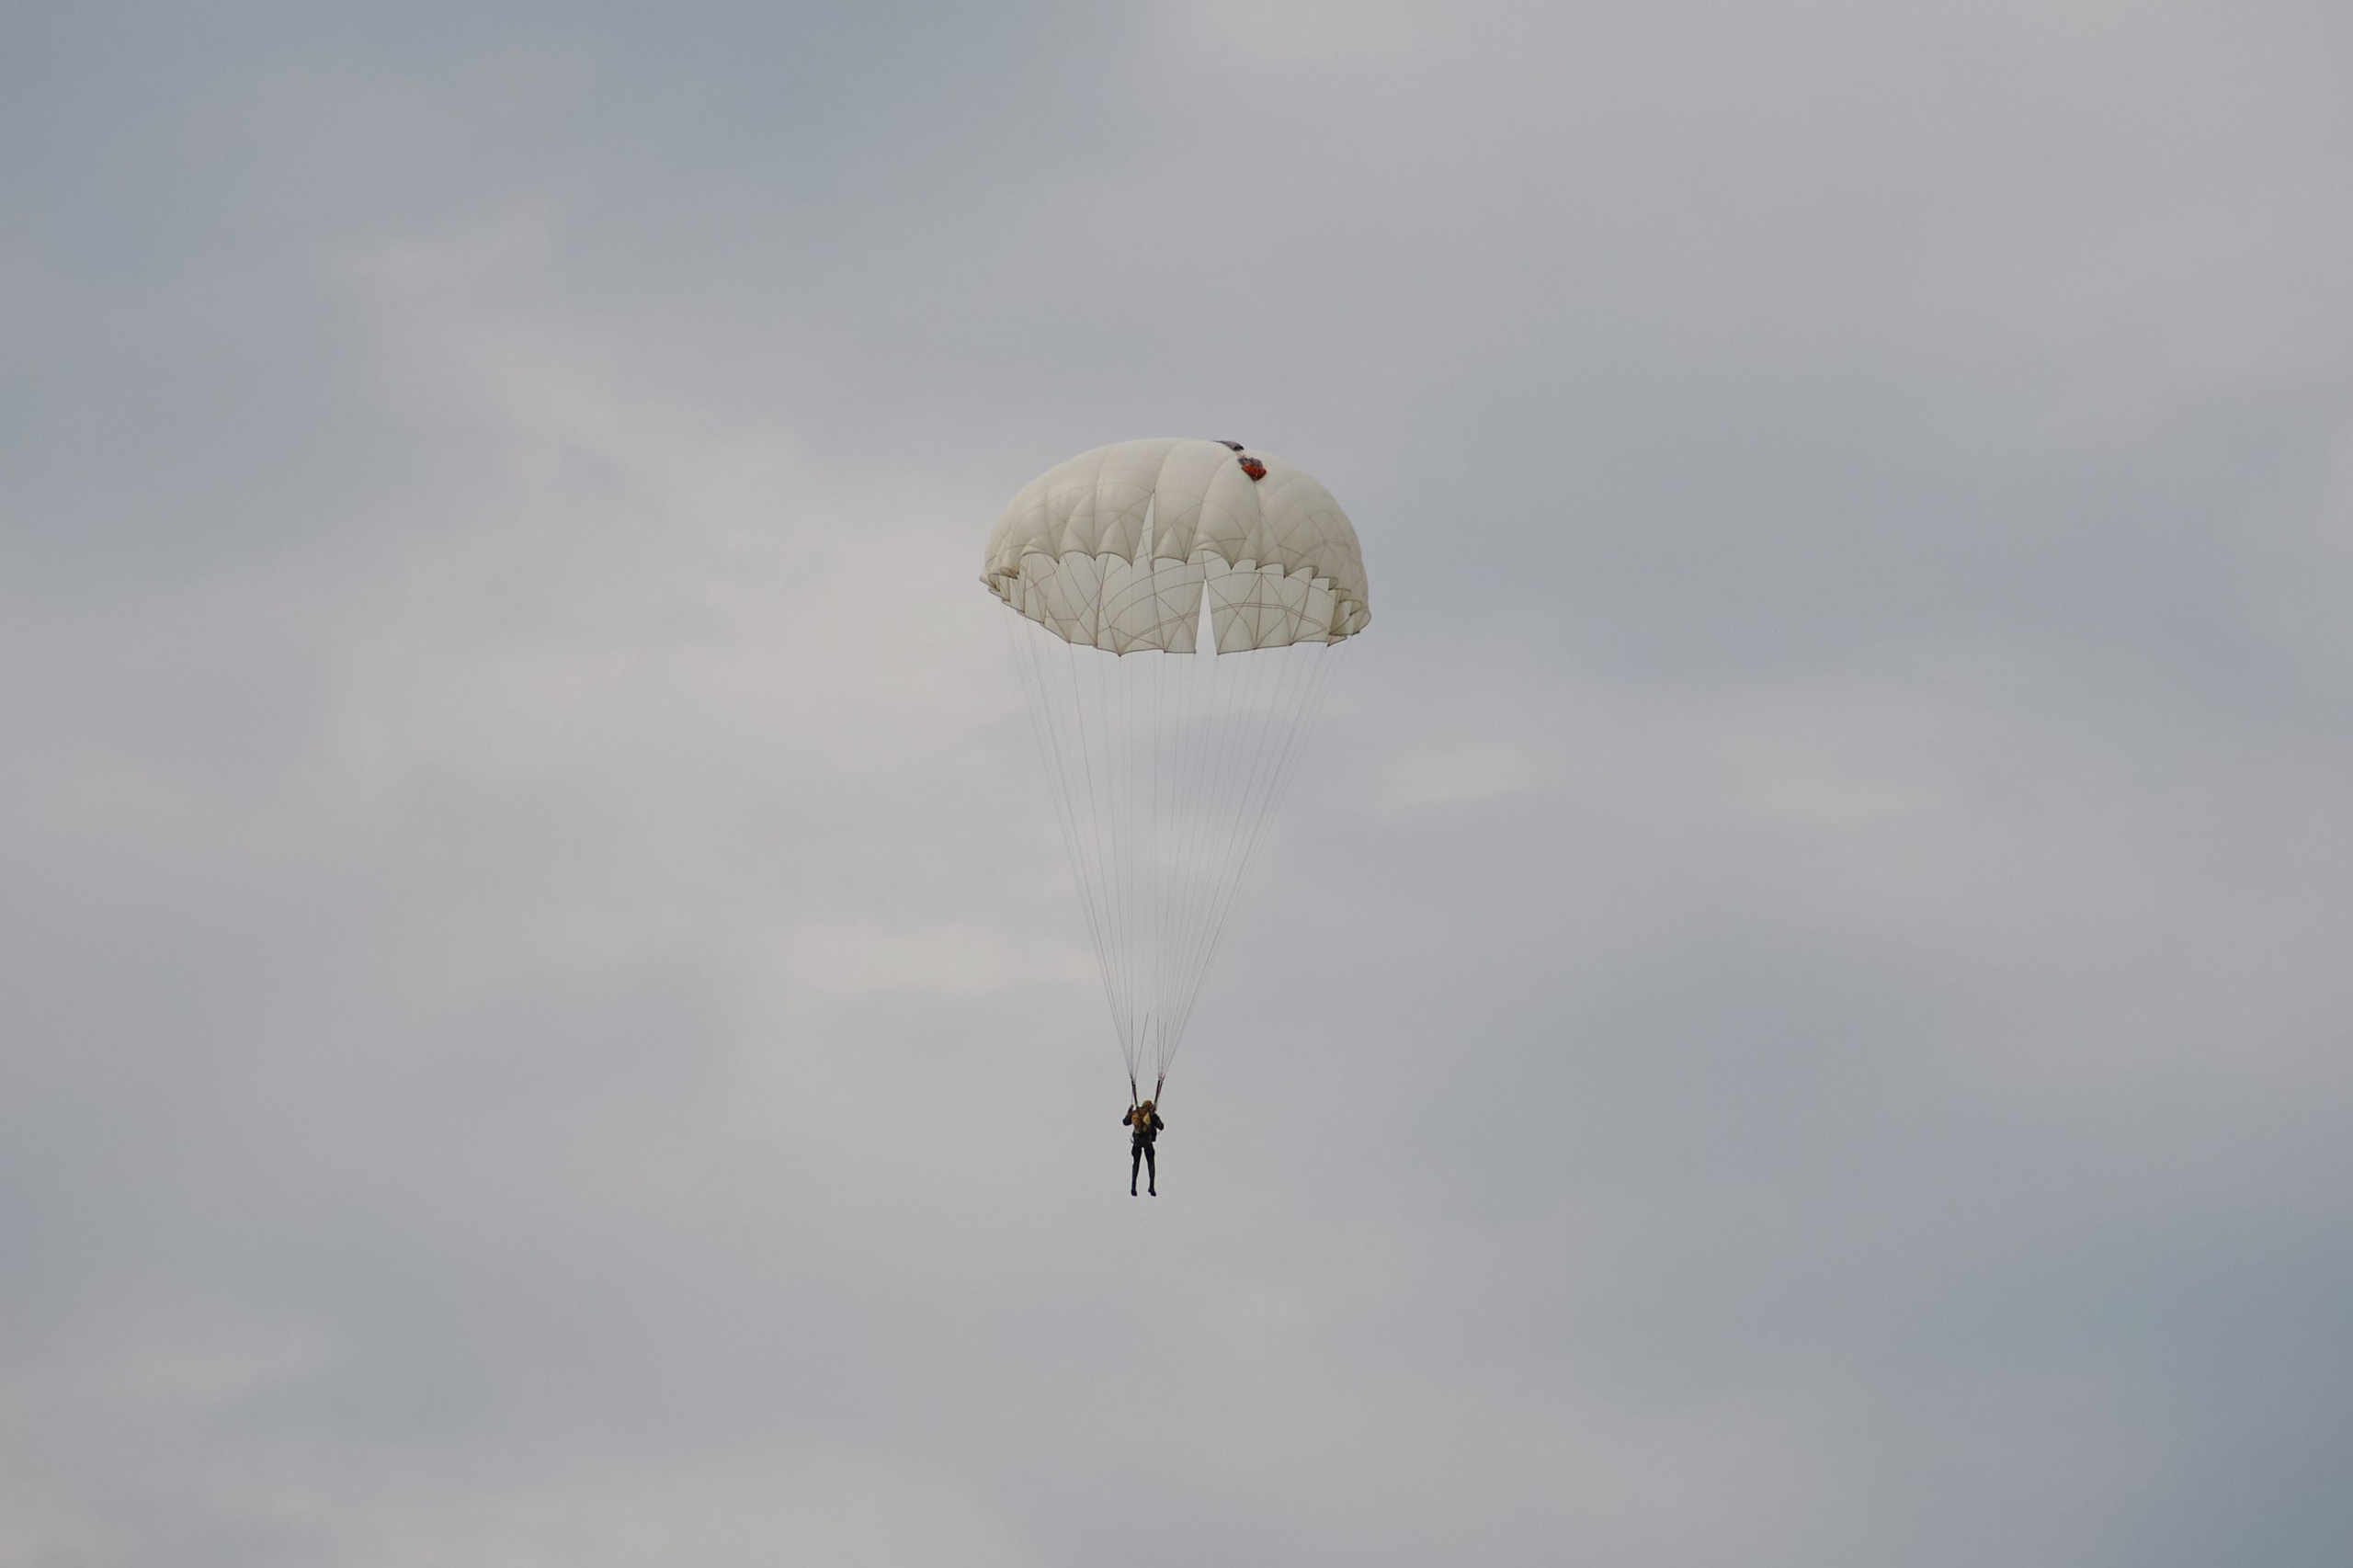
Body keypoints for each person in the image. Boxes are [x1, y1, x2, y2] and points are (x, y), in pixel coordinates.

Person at [1122, 1099, 1165, 1196]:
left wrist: (1129, 1112)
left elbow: (1125, 1122)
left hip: (1136, 1142)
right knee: (1151, 1164)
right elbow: (1161, 1126)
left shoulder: (1135, 1113)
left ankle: (1133, 1187)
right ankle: (1151, 1186)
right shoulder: (1151, 1115)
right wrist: (1156, 1117)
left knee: (1136, 1164)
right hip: (1147, 1142)